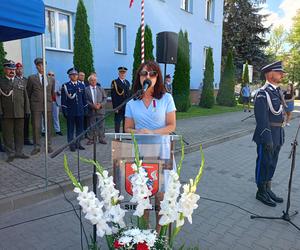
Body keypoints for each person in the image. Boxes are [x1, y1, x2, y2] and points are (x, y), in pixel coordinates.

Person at [124, 61, 176, 231]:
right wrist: (137, 132)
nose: (148, 77)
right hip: (141, 154)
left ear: (157, 77)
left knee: (160, 197)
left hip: (162, 151)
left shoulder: (166, 98)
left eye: (152, 74)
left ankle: (160, 238)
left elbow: (171, 126)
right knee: (143, 196)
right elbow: (127, 128)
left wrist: (153, 133)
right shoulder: (132, 102)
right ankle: (145, 237)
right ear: (139, 77)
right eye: (144, 74)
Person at [253, 61, 286, 207]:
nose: (282, 74)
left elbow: (279, 114)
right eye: (279, 72)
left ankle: (268, 188)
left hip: (277, 134)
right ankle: (261, 191)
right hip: (266, 135)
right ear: (270, 74)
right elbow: (261, 118)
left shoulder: (276, 91)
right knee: (264, 163)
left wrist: (280, 134)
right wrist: (267, 138)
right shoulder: (262, 93)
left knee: (272, 163)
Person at [0, 60, 30, 162]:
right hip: (6, 113)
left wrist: (27, 110)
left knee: (19, 133)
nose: (12, 71)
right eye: (9, 69)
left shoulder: (20, 81)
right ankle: (11, 154)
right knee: (8, 134)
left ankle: (19, 152)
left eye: (13, 69)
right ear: (5, 70)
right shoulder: (1, 81)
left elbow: (25, 97)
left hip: (20, 112)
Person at [26, 58, 55, 155]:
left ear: (45, 66)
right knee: (36, 126)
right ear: (36, 66)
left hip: (48, 106)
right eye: (39, 65)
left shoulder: (51, 79)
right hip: (36, 106)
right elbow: (28, 93)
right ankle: (37, 146)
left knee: (49, 127)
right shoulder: (31, 78)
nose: (41, 67)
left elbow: (51, 92)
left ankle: (49, 145)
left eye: (43, 65)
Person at [61, 68, 87, 152]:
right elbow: (63, 99)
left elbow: (84, 99)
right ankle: (71, 144)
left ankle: (78, 143)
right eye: (73, 75)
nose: (75, 76)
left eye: (76, 75)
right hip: (70, 111)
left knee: (80, 128)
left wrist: (85, 108)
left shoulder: (81, 85)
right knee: (70, 129)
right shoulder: (66, 86)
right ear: (69, 76)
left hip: (80, 111)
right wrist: (64, 110)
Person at [85, 74, 107, 145]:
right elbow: (85, 100)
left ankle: (101, 139)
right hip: (91, 111)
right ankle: (91, 139)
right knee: (91, 125)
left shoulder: (101, 88)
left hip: (100, 110)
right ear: (89, 81)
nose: (93, 81)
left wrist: (100, 105)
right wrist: (92, 105)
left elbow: (105, 98)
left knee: (101, 125)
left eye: (95, 80)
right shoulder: (86, 89)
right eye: (92, 80)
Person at [15, 62, 33, 145]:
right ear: (15, 70)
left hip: (26, 105)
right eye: (17, 69)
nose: (19, 70)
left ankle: (26, 139)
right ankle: (18, 140)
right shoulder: (13, 80)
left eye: (21, 69)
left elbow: (29, 92)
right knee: (17, 124)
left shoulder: (26, 80)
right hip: (17, 105)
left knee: (26, 122)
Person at [111, 66, 131, 133]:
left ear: (126, 74)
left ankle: (124, 134)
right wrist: (115, 107)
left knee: (126, 121)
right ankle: (117, 136)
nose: (123, 74)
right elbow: (113, 96)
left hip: (126, 106)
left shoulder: (127, 82)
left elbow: (128, 95)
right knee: (118, 121)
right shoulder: (115, 82)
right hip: (119, 106)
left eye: (124, 73)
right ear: (119, 73)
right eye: (121, 73)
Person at [48, 71, 63, 136]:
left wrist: (58, 92)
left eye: (52, 75)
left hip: (55, 101)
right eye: (49, 74)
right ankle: (44, 131)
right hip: (47, 102)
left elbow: (61, 91)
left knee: (56, 117)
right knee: (45, 117)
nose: (51, 76)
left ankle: (57, 130)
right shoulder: (45, 82)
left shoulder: (58, 82)